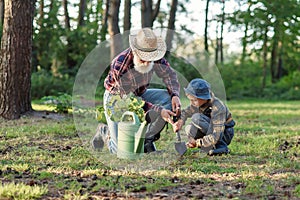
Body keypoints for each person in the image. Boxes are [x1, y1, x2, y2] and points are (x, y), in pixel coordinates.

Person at [97, 27, 181, 154]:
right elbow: (129, 101)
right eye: (143, 59)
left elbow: (169, 75)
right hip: (117, 99)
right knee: (121, 151)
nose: (147, 62)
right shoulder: (120, 64)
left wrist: (175, 95)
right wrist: (159, 110)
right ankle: (105, 132)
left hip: (140, 93)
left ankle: (146, 140)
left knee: (168, 98)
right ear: (135, 52)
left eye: (150, 58)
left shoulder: (154, 55)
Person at [172, 78, 235, 155]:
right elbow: (186, 112)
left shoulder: (218, 107)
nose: (192, 103)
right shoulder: (198, 104)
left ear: (204, 97)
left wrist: (198, 143)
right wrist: (180, 121)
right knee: (189, 128)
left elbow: (217, 135)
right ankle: (209, 146)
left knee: (197, 118)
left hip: (224, 134)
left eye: (194, 100)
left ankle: (221, 147)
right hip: (211, 132)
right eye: (190, 100)